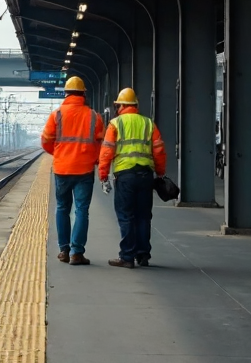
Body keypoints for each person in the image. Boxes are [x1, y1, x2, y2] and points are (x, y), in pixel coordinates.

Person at [98, 88, 167, 268]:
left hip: (125, 175)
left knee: (126, 215)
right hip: (145, 175)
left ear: (121, 105)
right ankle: (143, 255)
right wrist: (160, 172)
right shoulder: (148, 123)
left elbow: (106, 152)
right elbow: (159, 150)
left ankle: (127, 256)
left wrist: (103, 175)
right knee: (143, 216)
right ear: (135, 105)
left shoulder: (115, 124)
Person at [40, 76, 104, 266]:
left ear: (66, 93)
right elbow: (100, 143)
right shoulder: (94, 116)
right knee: (81, 209)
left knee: (62, 208)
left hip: (62, 168)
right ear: (83, 93)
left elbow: (45, 140)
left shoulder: (56, 115)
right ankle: (77, 253)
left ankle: (64, 250)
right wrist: (92, 158)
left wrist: (59, 153)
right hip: (84, 169)